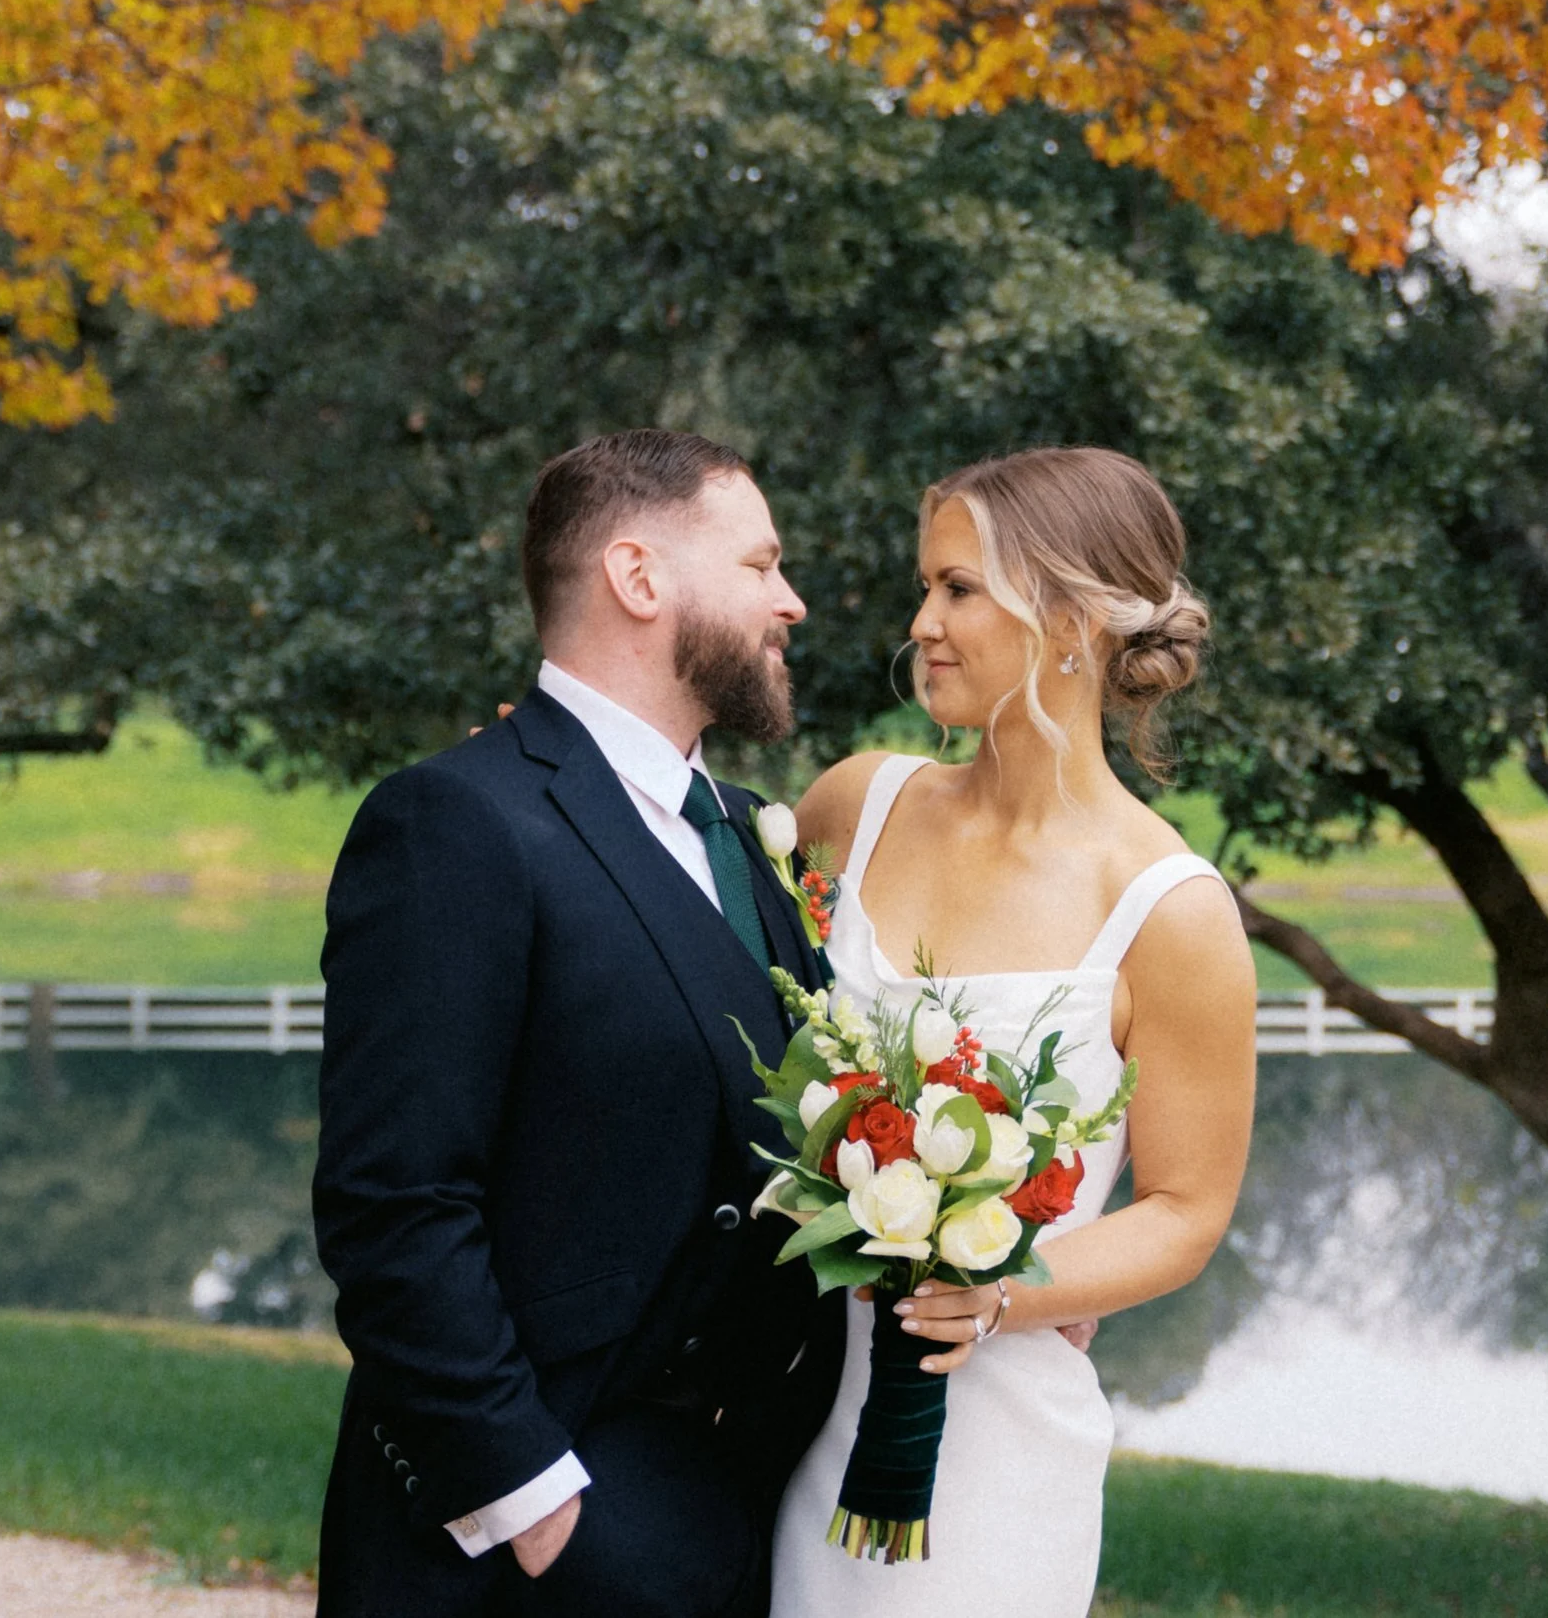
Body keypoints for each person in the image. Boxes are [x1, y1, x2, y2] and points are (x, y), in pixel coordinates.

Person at [312, 427, 843, 1616]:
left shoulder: (750, 834)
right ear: (639, 577)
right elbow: (394, 1204)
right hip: (537, 1543)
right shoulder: (454, 823)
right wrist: (537, 1509)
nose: (790, 602)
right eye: (760, 566)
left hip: (745, 1512)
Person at [772, 446, 1257, 1617]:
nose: (921, 622)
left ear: (1073, 622)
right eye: (927, 587)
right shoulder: (854, 806)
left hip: (987, 1444)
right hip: (778, 1404)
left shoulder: (1169, 910)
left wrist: (1001, 1288)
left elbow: (1185, 1212)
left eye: (958, 589)